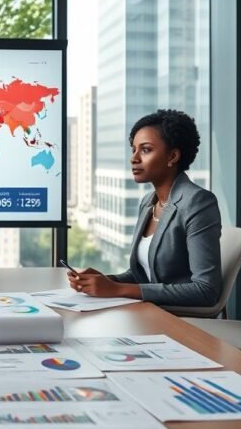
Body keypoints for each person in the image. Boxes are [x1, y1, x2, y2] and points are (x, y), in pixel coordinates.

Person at [70, 109, 222, 307]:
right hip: (150, 310)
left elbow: (205, 290)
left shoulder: (198, 203)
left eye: (145, 150)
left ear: (173, 156)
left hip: (179, 318)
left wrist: (116, 289)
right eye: (133, 149)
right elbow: (142, 275)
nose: (134, 158)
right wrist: (107, 281)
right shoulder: (148, 202)